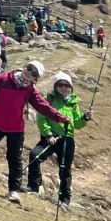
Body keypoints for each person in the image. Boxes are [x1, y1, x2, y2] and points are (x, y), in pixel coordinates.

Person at [0, 60, 69, 204]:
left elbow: (43, 107)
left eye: (33, 73)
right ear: (25, 66)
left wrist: (61, 118)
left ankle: (14, 190)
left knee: (14, 159)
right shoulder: (4, 78)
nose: (29, 73)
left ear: (35, 79)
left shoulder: (30, 90)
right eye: (29, 68)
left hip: (16, 128)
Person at [27, 72, 89, 206]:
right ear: (55, 86)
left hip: (67, 139)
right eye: (60, 84)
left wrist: (84, 118)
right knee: (34, 156)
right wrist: (48, 134)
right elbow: (41, 117)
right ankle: (33, 187)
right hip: (50, 138)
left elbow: (77, 124)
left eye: (66, 85)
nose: (63, 87)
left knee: (65, 169)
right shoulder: (48, 99)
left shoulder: (73, 103)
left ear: (70, 87)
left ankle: (65, 199)